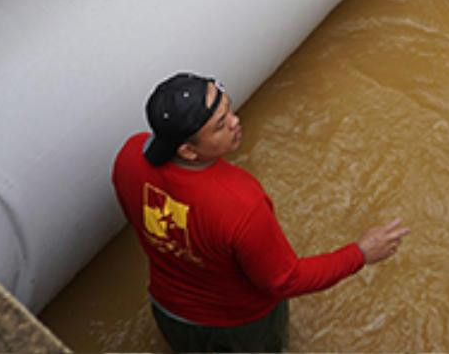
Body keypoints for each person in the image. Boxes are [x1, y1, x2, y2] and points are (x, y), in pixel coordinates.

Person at [112, 72, 409, 353]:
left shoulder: (129, 157)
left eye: (228, 109)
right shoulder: (240, 202)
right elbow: (286, 280)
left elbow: (139, 222)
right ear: (188, 151)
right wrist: (360, 253)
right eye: (220, 125)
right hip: (240, 326)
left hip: (169, 313)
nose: (235, 121)